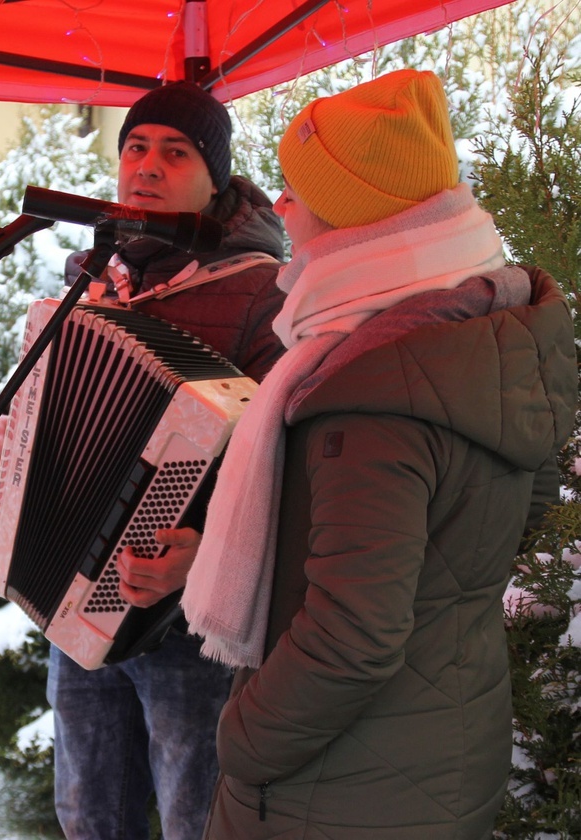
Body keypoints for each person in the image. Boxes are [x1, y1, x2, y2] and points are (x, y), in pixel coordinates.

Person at [179, 68, 578, 839]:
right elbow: (518, 515)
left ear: (352, 221)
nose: (279, 205)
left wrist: (243, 741)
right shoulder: (483, 334)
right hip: (444, 742)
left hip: (338, 788)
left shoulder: (371, 386)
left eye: (298, 191)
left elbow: (352, 636)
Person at [0, 80, 285, 840]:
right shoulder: (94, 276)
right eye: (136, 147)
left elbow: (284, 461)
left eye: (176, 153)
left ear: (214, 177)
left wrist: (203, 550)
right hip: (73, 599)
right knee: (89, 814)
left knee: (194, 815)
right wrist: (0, 432)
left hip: (186, 619)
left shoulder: (261, 293)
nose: (147, 164)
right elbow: (27, 397)